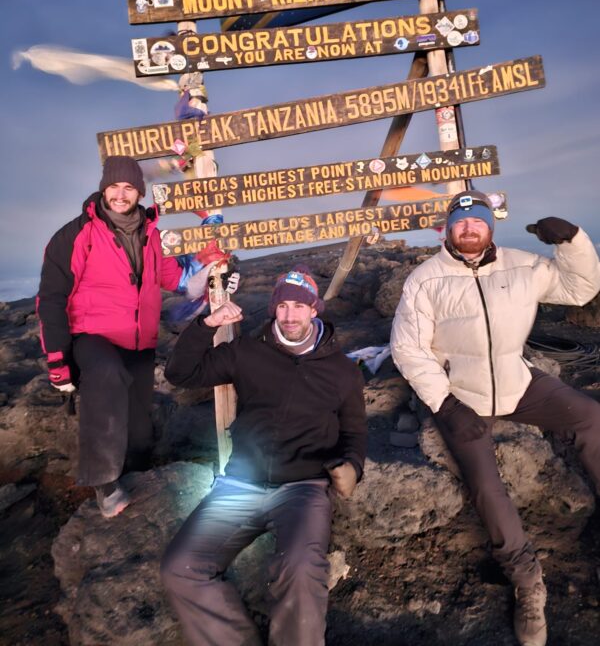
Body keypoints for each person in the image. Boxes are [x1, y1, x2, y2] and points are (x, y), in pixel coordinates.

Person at [390, 189, 600, 646]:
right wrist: (444, 404)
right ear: (448, 228)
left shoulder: (522, 266)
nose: (469, 228)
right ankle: (528, 583)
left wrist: (573, 242)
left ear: (491, 226)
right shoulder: (425, 280)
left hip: (518, 382)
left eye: (478, 221)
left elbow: (580, 289)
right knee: (486, 484)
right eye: (461, 222)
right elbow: (408, 349)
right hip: (460, 394)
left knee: (591, 418)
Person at [161, 265, 367, 646]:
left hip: (303, 488)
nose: (290, 315)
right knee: (180, 568)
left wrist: (352, 467)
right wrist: (207, 325)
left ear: (314, 310)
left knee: (302, 571)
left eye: (299, 306)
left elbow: (355, 431)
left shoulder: (342, 372)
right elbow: (181, 373)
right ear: (274, 309)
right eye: (283, 306)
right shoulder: (247, 352)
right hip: (239, 482)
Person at [37, 156, 201, 518]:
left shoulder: (152, 234)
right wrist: (58, 360)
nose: (120, 194)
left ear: (139, 193)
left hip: (139, 342)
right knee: (106, 374)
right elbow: (50, 298)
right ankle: (104, 482)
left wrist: (211, 260)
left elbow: (175, 278)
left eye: (129, 188)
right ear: (103, 189)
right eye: (114, 187)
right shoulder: (75, 235)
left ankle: (138, 478)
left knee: (140, 432)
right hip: (90, 337)